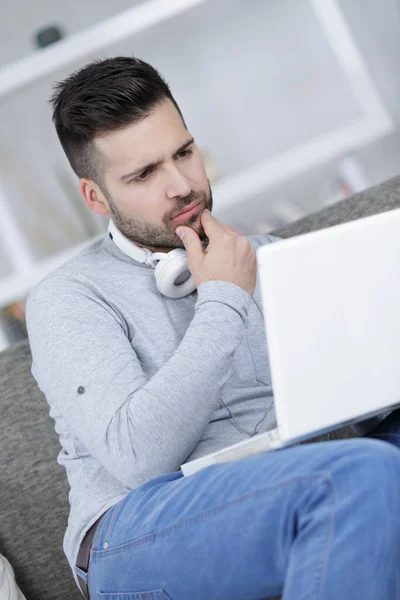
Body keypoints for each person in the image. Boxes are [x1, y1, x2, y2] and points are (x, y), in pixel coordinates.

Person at [25, 56, 400, 600]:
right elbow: (139, 457)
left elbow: (355, 397)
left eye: (184, 153)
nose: (181, 185)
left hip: (279, 484)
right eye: (144, 174)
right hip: (138, 525)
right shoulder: (69, 298)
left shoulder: (273, 258)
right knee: (352, 480)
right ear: (95, 197)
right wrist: (225, 297)